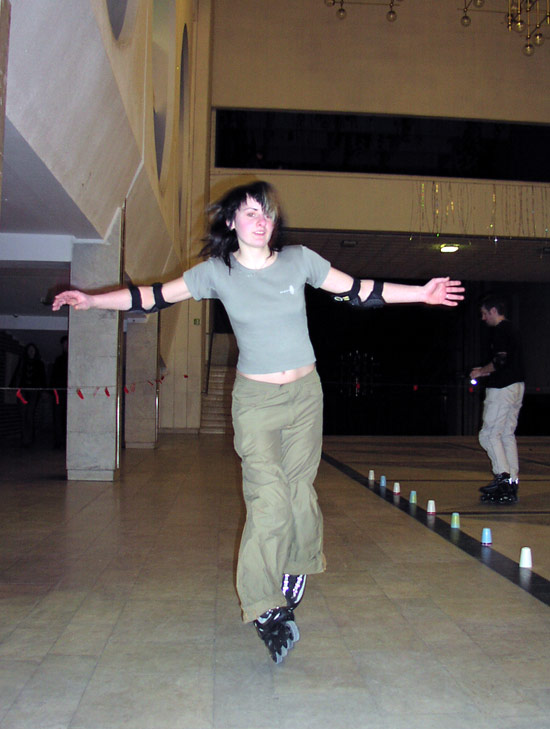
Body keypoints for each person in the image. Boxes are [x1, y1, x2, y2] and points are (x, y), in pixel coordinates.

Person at [52, 180, 464, 663]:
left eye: (266, 212)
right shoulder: (216, 272)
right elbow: (152, 297)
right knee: (268, 501)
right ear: (231, 222)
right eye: (249, 212)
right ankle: (266, 606)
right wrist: (92, 300)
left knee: (300, 494)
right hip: (256, 403)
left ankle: (296, 564)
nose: (260, 220)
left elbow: (358, 291)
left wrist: (421, 293)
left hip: (306, 396)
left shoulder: (299, 260)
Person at [470, 293, 524, 504]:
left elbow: (501, 360)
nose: (483, 318)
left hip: (502, 388)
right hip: (517, 386)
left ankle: (502, 478)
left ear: (493, 311)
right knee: (506, 434)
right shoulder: (514, 329)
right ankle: (512, 480)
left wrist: (481, 371)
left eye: (484, 313)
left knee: (489, 435)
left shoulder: (501, 330)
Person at [10, 342, 47, 447]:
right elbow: (17, 374)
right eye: (29, 350)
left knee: (30, 414)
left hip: (34, 392)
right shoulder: (23, 362)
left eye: (32, 350)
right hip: (23, 391)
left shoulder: (39, 364)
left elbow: (42, 377)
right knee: (23, 414)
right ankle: (24, 439)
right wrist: (13, 386)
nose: (31, 352)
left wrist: (43, 390)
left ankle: (29, 439)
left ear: (35, 352)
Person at [50, 334, 68, 449]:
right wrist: (52, 391)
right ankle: (59, 441)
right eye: (65, 344)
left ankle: (67, 441)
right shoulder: (58, 360)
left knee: (67, 417)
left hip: (70, 393)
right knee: (58, 416)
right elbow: (54, 376)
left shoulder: (74, 359)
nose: (66, 346)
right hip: (59, 393)